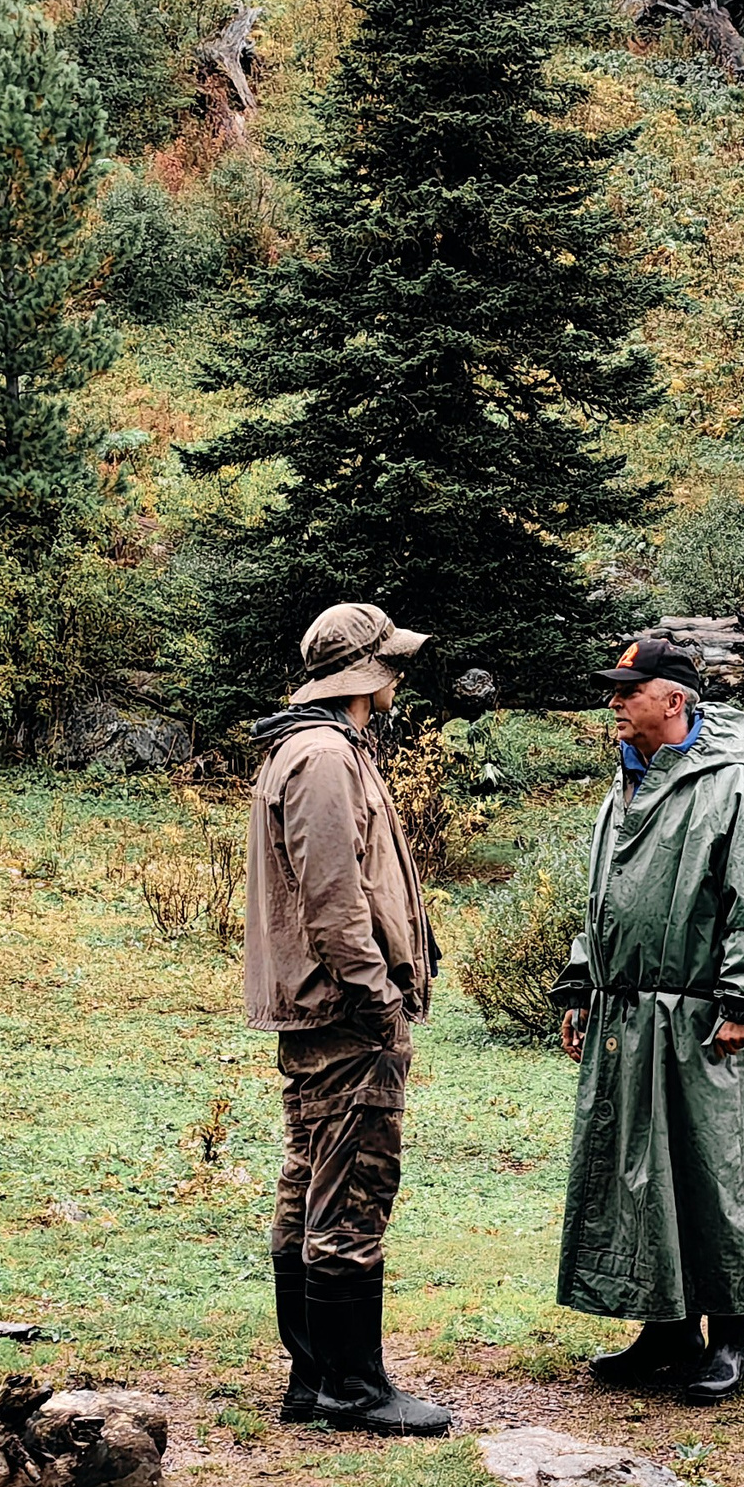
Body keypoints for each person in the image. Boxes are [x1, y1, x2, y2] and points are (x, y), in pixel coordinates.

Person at [551, 637, 744, 1404]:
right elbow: (602, 903)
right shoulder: (620, 792)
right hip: (626, 1017)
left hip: (702, 1020)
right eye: (614, 690)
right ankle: (665, 1331)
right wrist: (581, 987)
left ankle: (730, 1339)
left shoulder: (735, 790)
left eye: (628, 691)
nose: (614, 703)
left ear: (676, 701)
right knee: (636, 1173)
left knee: (715, 1172)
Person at [244, 602, 452, 1437]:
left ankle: (314, 1378)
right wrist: (378, 994)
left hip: (324, 1009)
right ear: (363, 674)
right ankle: (351, 1388)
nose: (399, 676)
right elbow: (334, 899)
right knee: (353, 1187)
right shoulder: (325, 756)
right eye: (390, 663)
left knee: (312, 1180)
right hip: (345, 1012)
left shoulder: (317, 747)